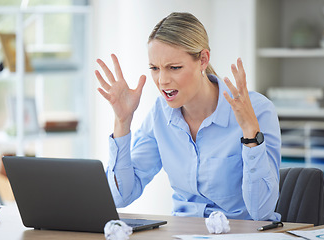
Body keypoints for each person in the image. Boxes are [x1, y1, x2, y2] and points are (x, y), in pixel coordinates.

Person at [95, 12, 281, 221]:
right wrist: (122, 122)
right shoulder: (160, 113)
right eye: (155, 68)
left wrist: (250, 133)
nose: (162, 80)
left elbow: (262, 211)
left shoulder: (257, 110)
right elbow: (121, 196)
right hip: (182, 232)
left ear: (203, 60)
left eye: (174, 68)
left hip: (240, 233)